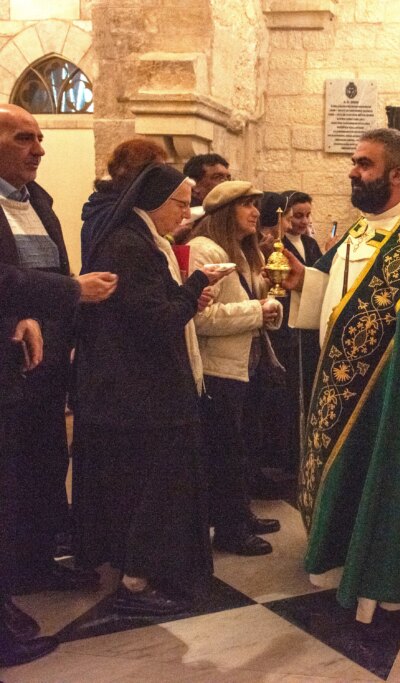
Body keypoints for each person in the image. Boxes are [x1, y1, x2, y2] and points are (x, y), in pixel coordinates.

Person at [280, 128, 400, 624]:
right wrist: (306, 282)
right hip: (342, 383)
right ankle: (340, 555)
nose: (352, 171)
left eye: (363, 164)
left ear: (397, 175)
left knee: (385, 476)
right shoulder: (361, 228)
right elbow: (340, 290)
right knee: (346, 478)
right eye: (354, 161)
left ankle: (388, 570)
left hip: (393, 395)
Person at [73, 164, 231, 616]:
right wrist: (198, 283)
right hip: (143, 393)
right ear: (154, 201)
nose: (186, 213)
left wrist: (187, 296)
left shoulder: (137, 239)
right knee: (156, 488)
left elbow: (154, 309)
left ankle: (141, 573)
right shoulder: (131, 244)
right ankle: (137, 583)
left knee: (147, 486)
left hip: (137, 389)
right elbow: (156, 322)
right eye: (180, 203)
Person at [0, 103, 101, 596]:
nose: (39, 149)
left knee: (46, 460)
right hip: (8, 360)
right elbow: (6, 281)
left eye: (39, 138)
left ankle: (38, 561)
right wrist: (73, 291)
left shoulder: (37, 199)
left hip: (49, 357)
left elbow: (53, 270)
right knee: (11, 471)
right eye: (23, 138)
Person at [0, 261, 114, 666]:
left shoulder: (41, 204)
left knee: (29, 476)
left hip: (24, 357)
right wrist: (71, 289)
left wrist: (24, 315)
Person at [188, 181, 284, 557]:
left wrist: (267, 309)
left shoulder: (242, 253)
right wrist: (257, 311)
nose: (255, 212)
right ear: (226, 211)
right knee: (225, 451)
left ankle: (241, 514)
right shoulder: (204, 250)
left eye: (256, 204)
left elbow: (251, 306)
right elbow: (200, 318)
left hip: (247, 363)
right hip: (219, 368)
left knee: (245, 447)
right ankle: (229, 528)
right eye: (246, 204)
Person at [263, 190, 323, 476]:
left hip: (306, 327)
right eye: (296, 215)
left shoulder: (310, 244)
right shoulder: (276, 246)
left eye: (307, 215)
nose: (302, 221)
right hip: (284, 325)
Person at [80, 137, 168, 264]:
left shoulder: (103, 205)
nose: (162, 182)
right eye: (158, 174)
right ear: (140, 175)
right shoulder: (116, 213)